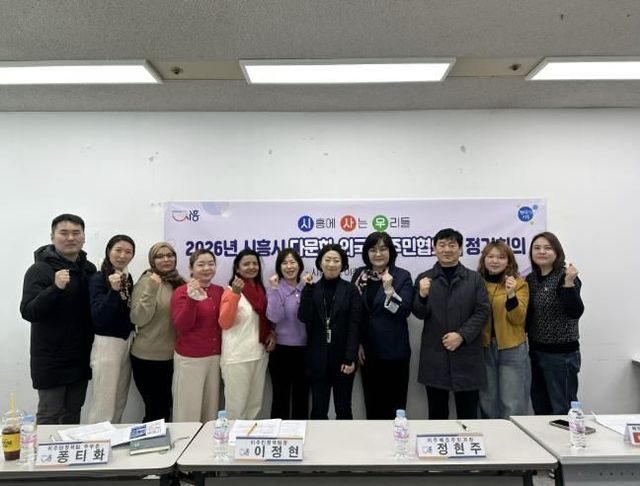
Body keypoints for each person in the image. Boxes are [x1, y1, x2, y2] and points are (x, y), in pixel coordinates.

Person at [20, 213, 97, 424]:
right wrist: (55, 288)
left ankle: (69, 448)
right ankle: (46, 449)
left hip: (80, 357)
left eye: (76, 233)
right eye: (64, 233)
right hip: (51, 359)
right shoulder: (39, 270)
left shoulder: (88, 269)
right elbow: (28, 311)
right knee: (49, 415)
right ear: (52, 236)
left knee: (73, 413)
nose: (70, 238)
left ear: (83, 237)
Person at [412, 228, 490, 420]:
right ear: (434, 249)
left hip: (467, 354)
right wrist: (422, 296)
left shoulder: (474, 278)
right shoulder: (424, 278)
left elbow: (482, 311)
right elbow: (419, 313)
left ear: (460, 249)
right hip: (435, 356)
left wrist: (462, 335)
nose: (447, 249)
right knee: (437, 415)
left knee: (468, 415)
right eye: (442, 245)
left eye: (452, 245)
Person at [352, 231, 413, 419]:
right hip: (368, 352)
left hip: (394, 351)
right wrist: (358, 343)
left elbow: (403, 311)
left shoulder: (401, 276)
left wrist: (389, 290)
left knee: (395, 408)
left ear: (390, 252)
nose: (378, 254)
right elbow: (355, 313)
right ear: (366, 253)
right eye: (373, 250)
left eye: (383, 249)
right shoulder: (360, 275)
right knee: (372, 406)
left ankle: (397, 438)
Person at [298, 243, 360, 420]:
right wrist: (307, 291)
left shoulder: (350, 290)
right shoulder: (312, 288)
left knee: (344, 409)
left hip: (343, 360)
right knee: (318, 410)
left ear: (343, 265)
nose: (331, 264)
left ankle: (344, 440)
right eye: (327, 260)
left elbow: (355, 325)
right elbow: (303, 317)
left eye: (336, 260)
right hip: (317, 360)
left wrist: (350, 358)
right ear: (320, 263)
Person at [526, 232, 584, 415]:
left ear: (557, 252)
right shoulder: (531, 279)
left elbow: (575, 312)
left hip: (562, 355)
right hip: (536, 352)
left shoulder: (565, 276)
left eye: (547, 248)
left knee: (562, 409)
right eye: (537, 248)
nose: (541, 252)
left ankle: (568, 434)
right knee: (540, 407)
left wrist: (569, 283)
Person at [130, 242, 185, 422]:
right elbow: (138, 318)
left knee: (167, 408)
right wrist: (151, 289)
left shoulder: (179, 282)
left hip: (174, 357)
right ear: (152, 260)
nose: (166, 259)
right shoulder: (147, 282)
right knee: (155, 411)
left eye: (170, 255)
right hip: (148, 358)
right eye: (159, 256)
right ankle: (149, 441)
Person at [219, 249, 275, 420]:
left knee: (254, 405)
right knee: (236, 407)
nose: (252, 267)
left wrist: (272, 333)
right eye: (246, 264)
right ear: (237, 268)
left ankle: (247, 437)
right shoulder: (231, 290)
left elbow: (266, 318)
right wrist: (236, 294)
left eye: (255, 263)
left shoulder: (260, 291)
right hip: (237, 357)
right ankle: (233, 437)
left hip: (259, 354)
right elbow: (225, 322)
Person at [477, 241, 529, 419]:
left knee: (512, 402)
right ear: (484, 259)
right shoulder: (477, 283)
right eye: (490, 256)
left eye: (501, 257)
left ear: (509, 261)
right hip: (483, 347)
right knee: (487, 400)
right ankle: (490, 435)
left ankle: (514, 435)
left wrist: (511, 294)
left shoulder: (519, 284)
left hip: (512, 348)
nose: (495, 261)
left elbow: (518, 318)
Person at [170, 249, 224, 422]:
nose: (207, 268)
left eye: (211, 264)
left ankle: (207, 439)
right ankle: (186, 440)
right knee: (188, 410)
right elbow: (181, 325)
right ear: (191, 268)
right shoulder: (181, 292)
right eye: (201, 264)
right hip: (190, 358)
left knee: (211, 410)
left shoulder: (219, 291)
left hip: (215, 358)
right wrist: (192, 299)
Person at [87, 234, 136, 424]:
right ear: (108, 251)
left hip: (127, 340)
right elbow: (100, 317)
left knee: (119, 398)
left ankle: (114, 436)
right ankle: (97, 439)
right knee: (104, 401)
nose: (123, 255)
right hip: (107, 343)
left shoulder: (127, 277)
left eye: (128, 252)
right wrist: (113, 291)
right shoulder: (99, 278)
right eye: (118, 250)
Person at [266, 248, 309, 419]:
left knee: (302, 396)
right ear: (279, 267)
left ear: (299, 265)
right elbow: (274, 317)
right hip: (280, 350)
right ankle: (278, 432)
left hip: (305, 350)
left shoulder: (307, 287)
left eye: (293, 262)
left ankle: (300, 431)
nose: (289, 266)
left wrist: (308, 288)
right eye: (284, 263)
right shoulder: (274, 288)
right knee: (280, 397)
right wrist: (275, 290)